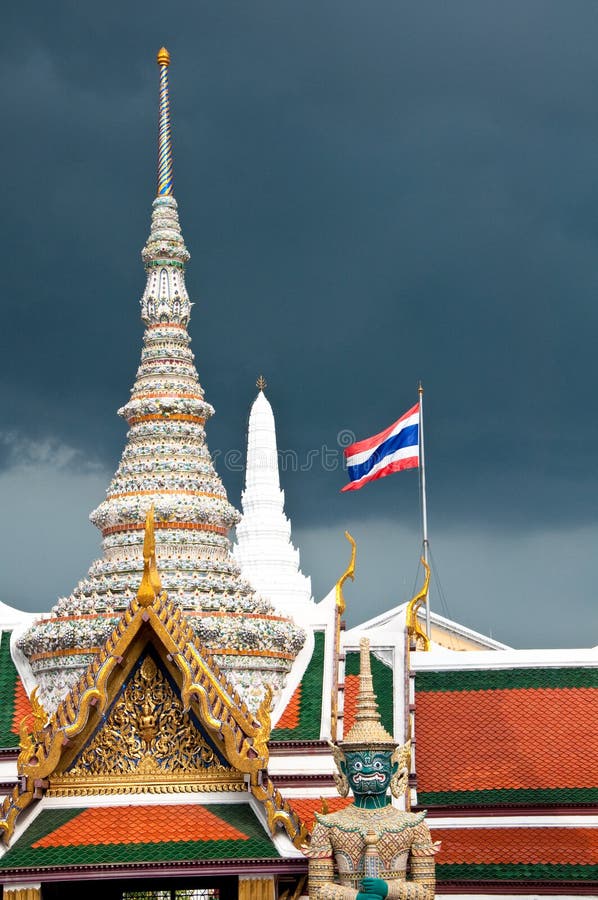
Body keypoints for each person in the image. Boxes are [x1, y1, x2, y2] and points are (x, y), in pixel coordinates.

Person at [305, 639, 438, 899]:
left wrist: (389, 889)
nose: (367, 771)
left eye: (377, 764)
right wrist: (354, 897)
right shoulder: (329, 826)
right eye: (357, 764)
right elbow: (318, 890)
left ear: (394, 766)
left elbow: (426, 890)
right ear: (343, 768)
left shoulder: (412, 825)